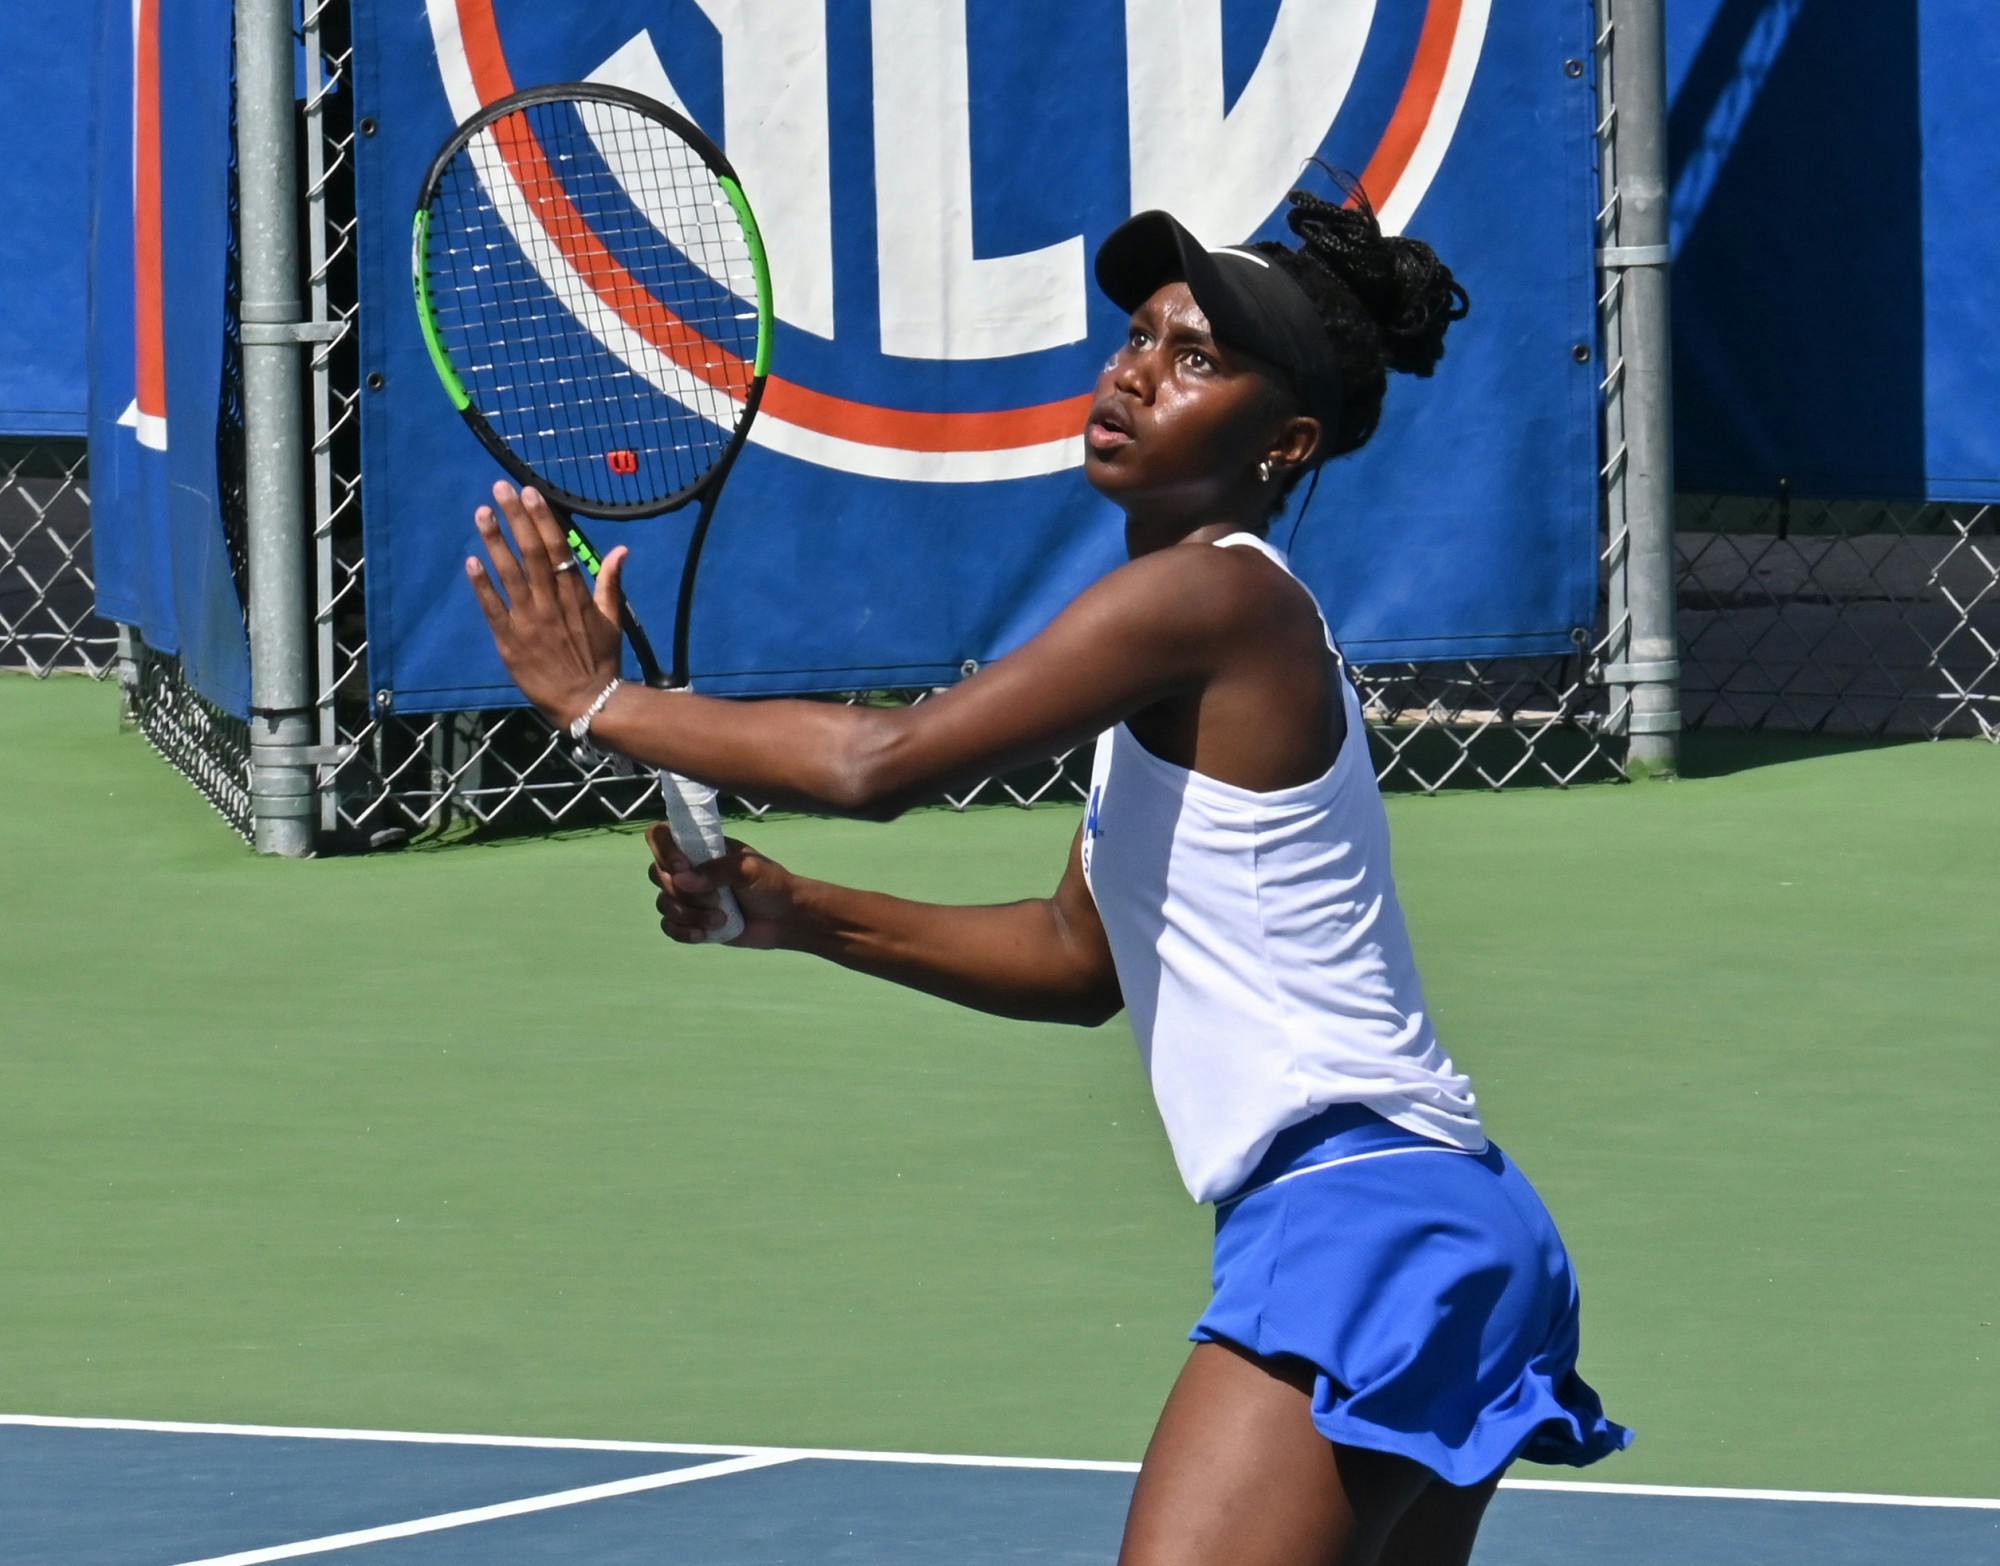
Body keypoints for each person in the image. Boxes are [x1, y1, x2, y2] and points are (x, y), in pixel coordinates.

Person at [465, 182, 1630, 1566]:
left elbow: (877, 762)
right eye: (1139, 334)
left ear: (1287, 441)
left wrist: (596, 702)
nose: (1135, 370)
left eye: (1196, 357)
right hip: (1448, 1222)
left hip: (1366, 1221)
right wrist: (800, 914)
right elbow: (1080, 961)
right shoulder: (1195, 648)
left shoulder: (1214, 597)